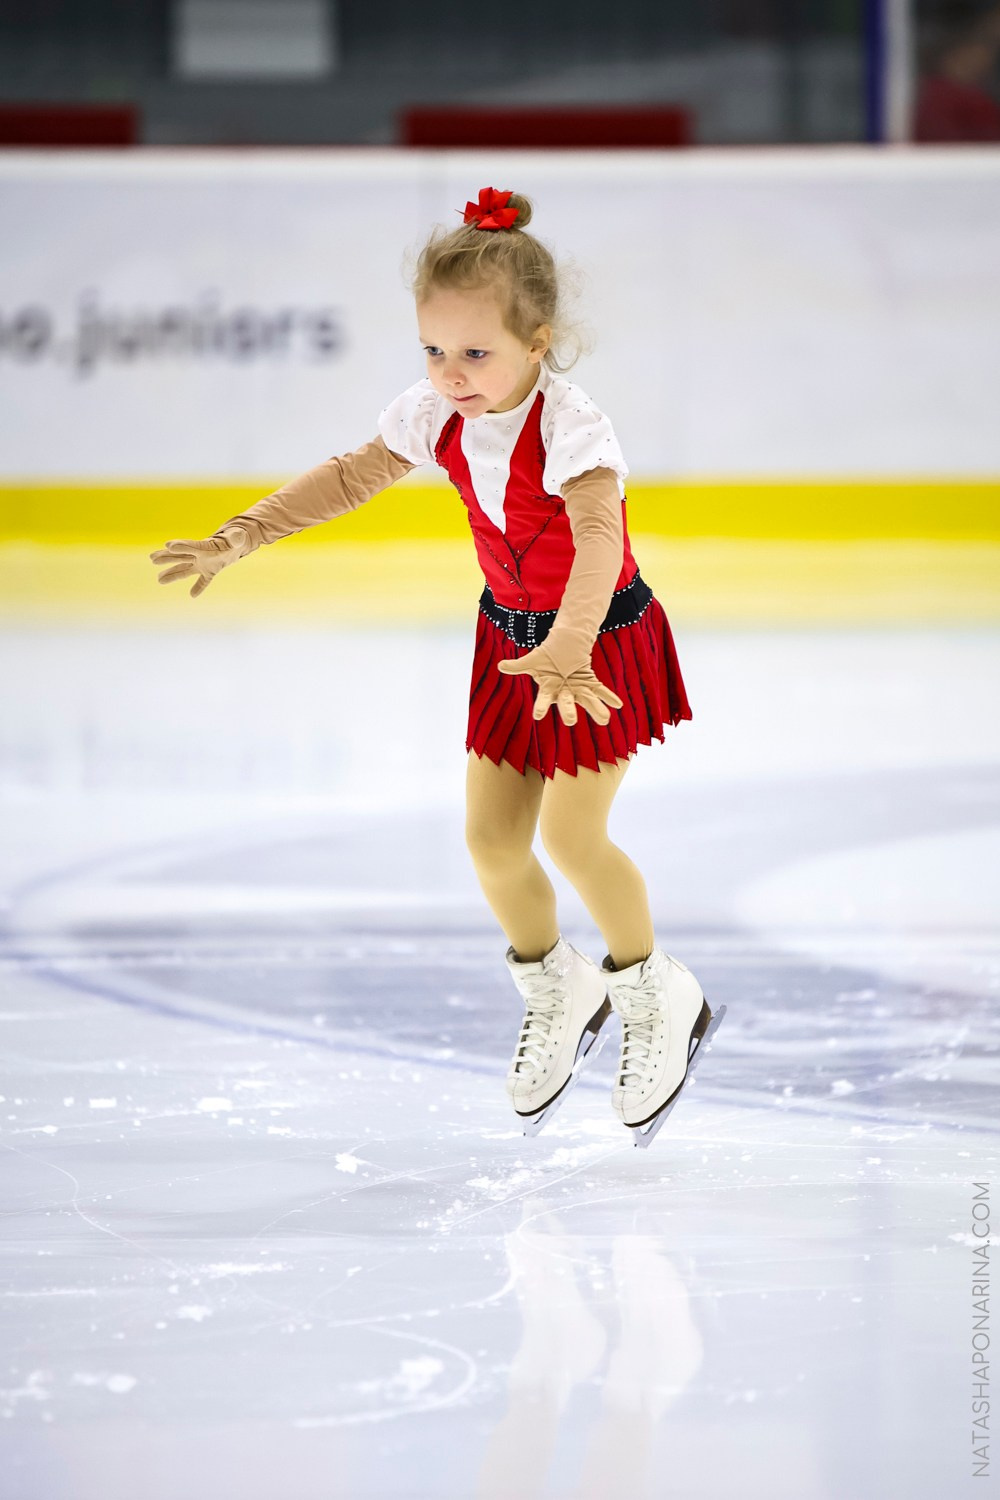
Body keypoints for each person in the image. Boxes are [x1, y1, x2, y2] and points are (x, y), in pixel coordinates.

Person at [149, 186, 720, 1144]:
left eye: (475, 353)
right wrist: (246, 532)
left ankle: (658, 993)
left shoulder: (574, 428)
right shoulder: (436, 414)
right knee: (492, 843)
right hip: (509, 644)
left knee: (576, 838)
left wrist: (570, 647)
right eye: (433, 350)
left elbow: (594, 541)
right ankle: (557, 986)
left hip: (598, 643)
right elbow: (350, 474)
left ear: (538, 342)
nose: (450, 374)